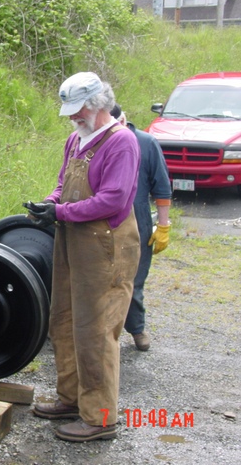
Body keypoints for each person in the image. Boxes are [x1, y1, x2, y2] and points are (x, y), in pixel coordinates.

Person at [25, 72, 140, 442]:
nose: (74, 117)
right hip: (72, 239)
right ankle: (72, 399)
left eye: (79, 110)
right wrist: (49, 204)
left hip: (105, 246)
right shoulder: (76, 139)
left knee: (97, 330)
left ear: (97, 104)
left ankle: (101, 418)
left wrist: (61, 213)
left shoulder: (121, 142)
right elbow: (64, 184)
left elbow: (113, 199)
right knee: (64, 321)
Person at [110, 103, 172, 352]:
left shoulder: (146, 143)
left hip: (139, 223)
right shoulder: (97, 141)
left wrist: (163, 225)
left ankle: (137, 330)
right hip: (104, 223)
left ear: (124, 119)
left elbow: (162, 187)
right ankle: (105, 334)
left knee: (133, 282)